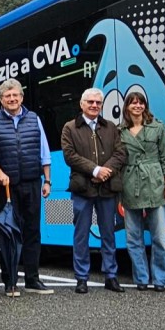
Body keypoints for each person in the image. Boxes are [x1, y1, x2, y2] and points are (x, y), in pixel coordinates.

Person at [0, 78, 54, 295]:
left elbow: (44, 152)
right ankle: (10, 282)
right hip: (5, 187)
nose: (12, 99)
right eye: (7, 96)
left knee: (33, 232)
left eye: (15, 95)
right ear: (1, 100)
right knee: (9, 233)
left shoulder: (33, 118)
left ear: (21, 97)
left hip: (32, 183)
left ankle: (33, 280)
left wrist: (47, 180)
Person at [59, 87, 127, 294]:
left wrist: (107, 171)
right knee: (81, 235)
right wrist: (95, 170)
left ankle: (111, 276)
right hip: (83, 188)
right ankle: (81, 278)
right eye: (90, 102)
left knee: (109, 234)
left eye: (98, 102)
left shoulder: (110, 127)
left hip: (107, 188)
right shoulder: (70, 128)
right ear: (82, 104)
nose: (95, 105)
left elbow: (121, 152)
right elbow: (70, 156)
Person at [118, 90, 165, 291]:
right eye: (133, 103)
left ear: (145, 106)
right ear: (127, 107)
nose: (137, 106)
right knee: (133, 237)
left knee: (159, 237)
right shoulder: (120, 131)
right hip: (129, 183)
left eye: (140, 102)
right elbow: (118, 161)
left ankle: (160, 279)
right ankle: (141, 278)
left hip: (155, 183)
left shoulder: (157, 127)